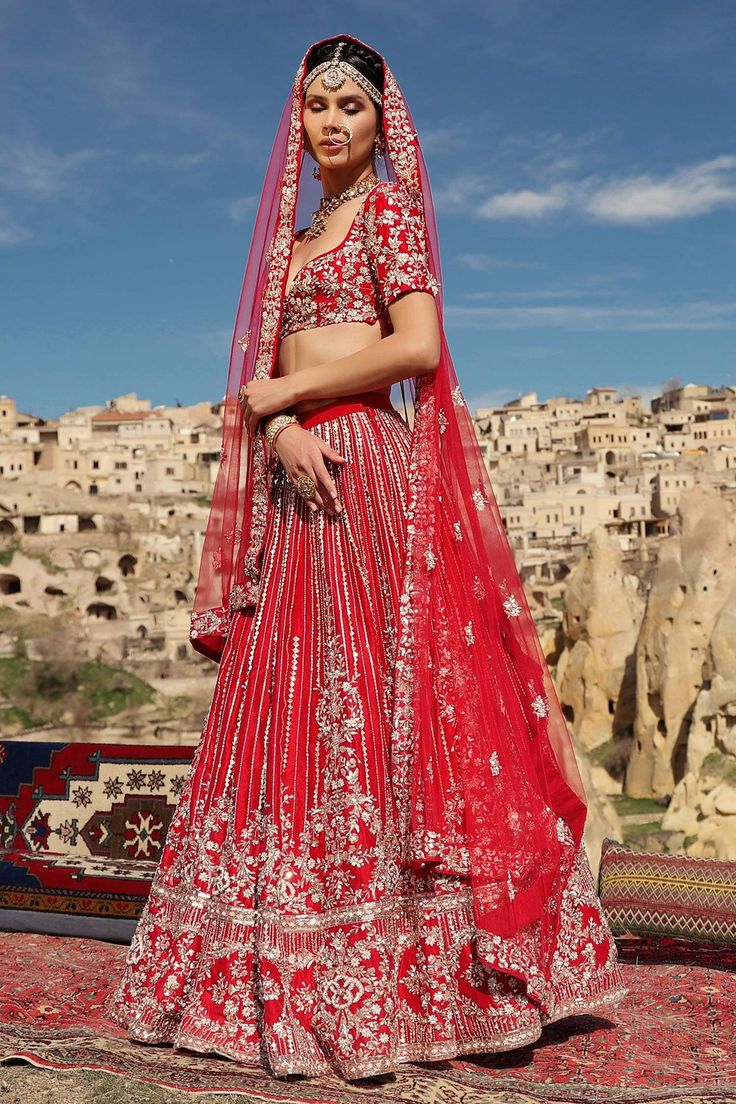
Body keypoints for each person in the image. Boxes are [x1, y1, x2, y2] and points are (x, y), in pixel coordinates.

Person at [105, 33, 628, 1081]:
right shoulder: (295, 243)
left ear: (382, 127)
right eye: (317, 106)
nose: (333, 122)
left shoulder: (385, 215)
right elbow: (266, 387)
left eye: (353, 106)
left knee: (376, 702)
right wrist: (279, 428)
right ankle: (278, 960)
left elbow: (417, 347)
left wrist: (293, 401)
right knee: (288, 706)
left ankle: (414, 981)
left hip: (364, 477)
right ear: (295, 123)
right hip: (298, 482)